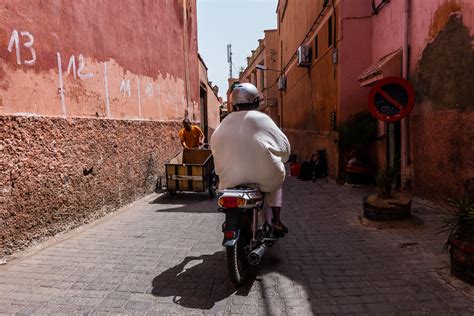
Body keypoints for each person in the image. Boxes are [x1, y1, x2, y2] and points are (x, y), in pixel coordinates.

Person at [210, 83, 290, 235]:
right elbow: (285, 149)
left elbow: (214, 147)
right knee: (276, 186)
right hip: (265, 178)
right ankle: (277, 221)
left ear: (234, 104)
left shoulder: (224, 122)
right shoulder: (263, 119)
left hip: (231, 181)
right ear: (255, 102)